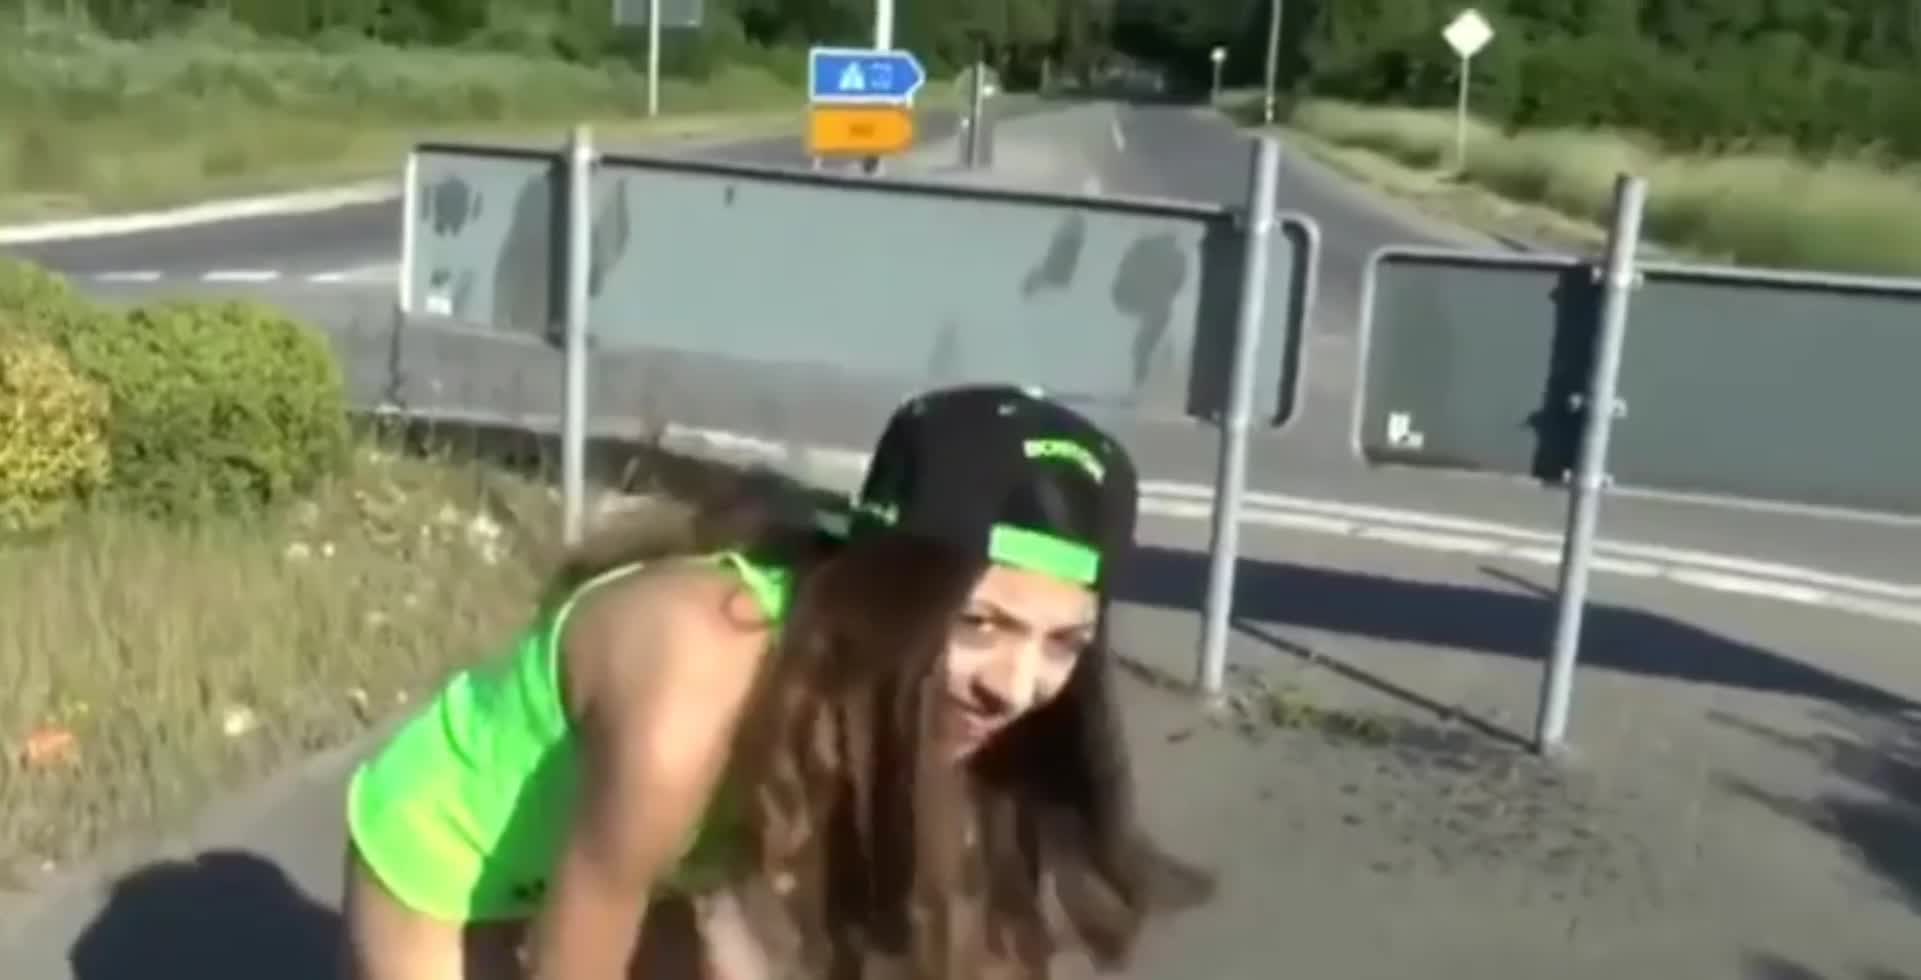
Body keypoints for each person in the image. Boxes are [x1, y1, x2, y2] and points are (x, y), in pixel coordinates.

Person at [337, 384, 1212, 980]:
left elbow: (954, 929)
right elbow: (592, 913)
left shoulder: (936, 695)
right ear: (885, 588)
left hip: (663, 860)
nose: (1015, 688)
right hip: (449, 856)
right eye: (979, 623)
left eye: (1064, 642)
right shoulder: (699, 666)